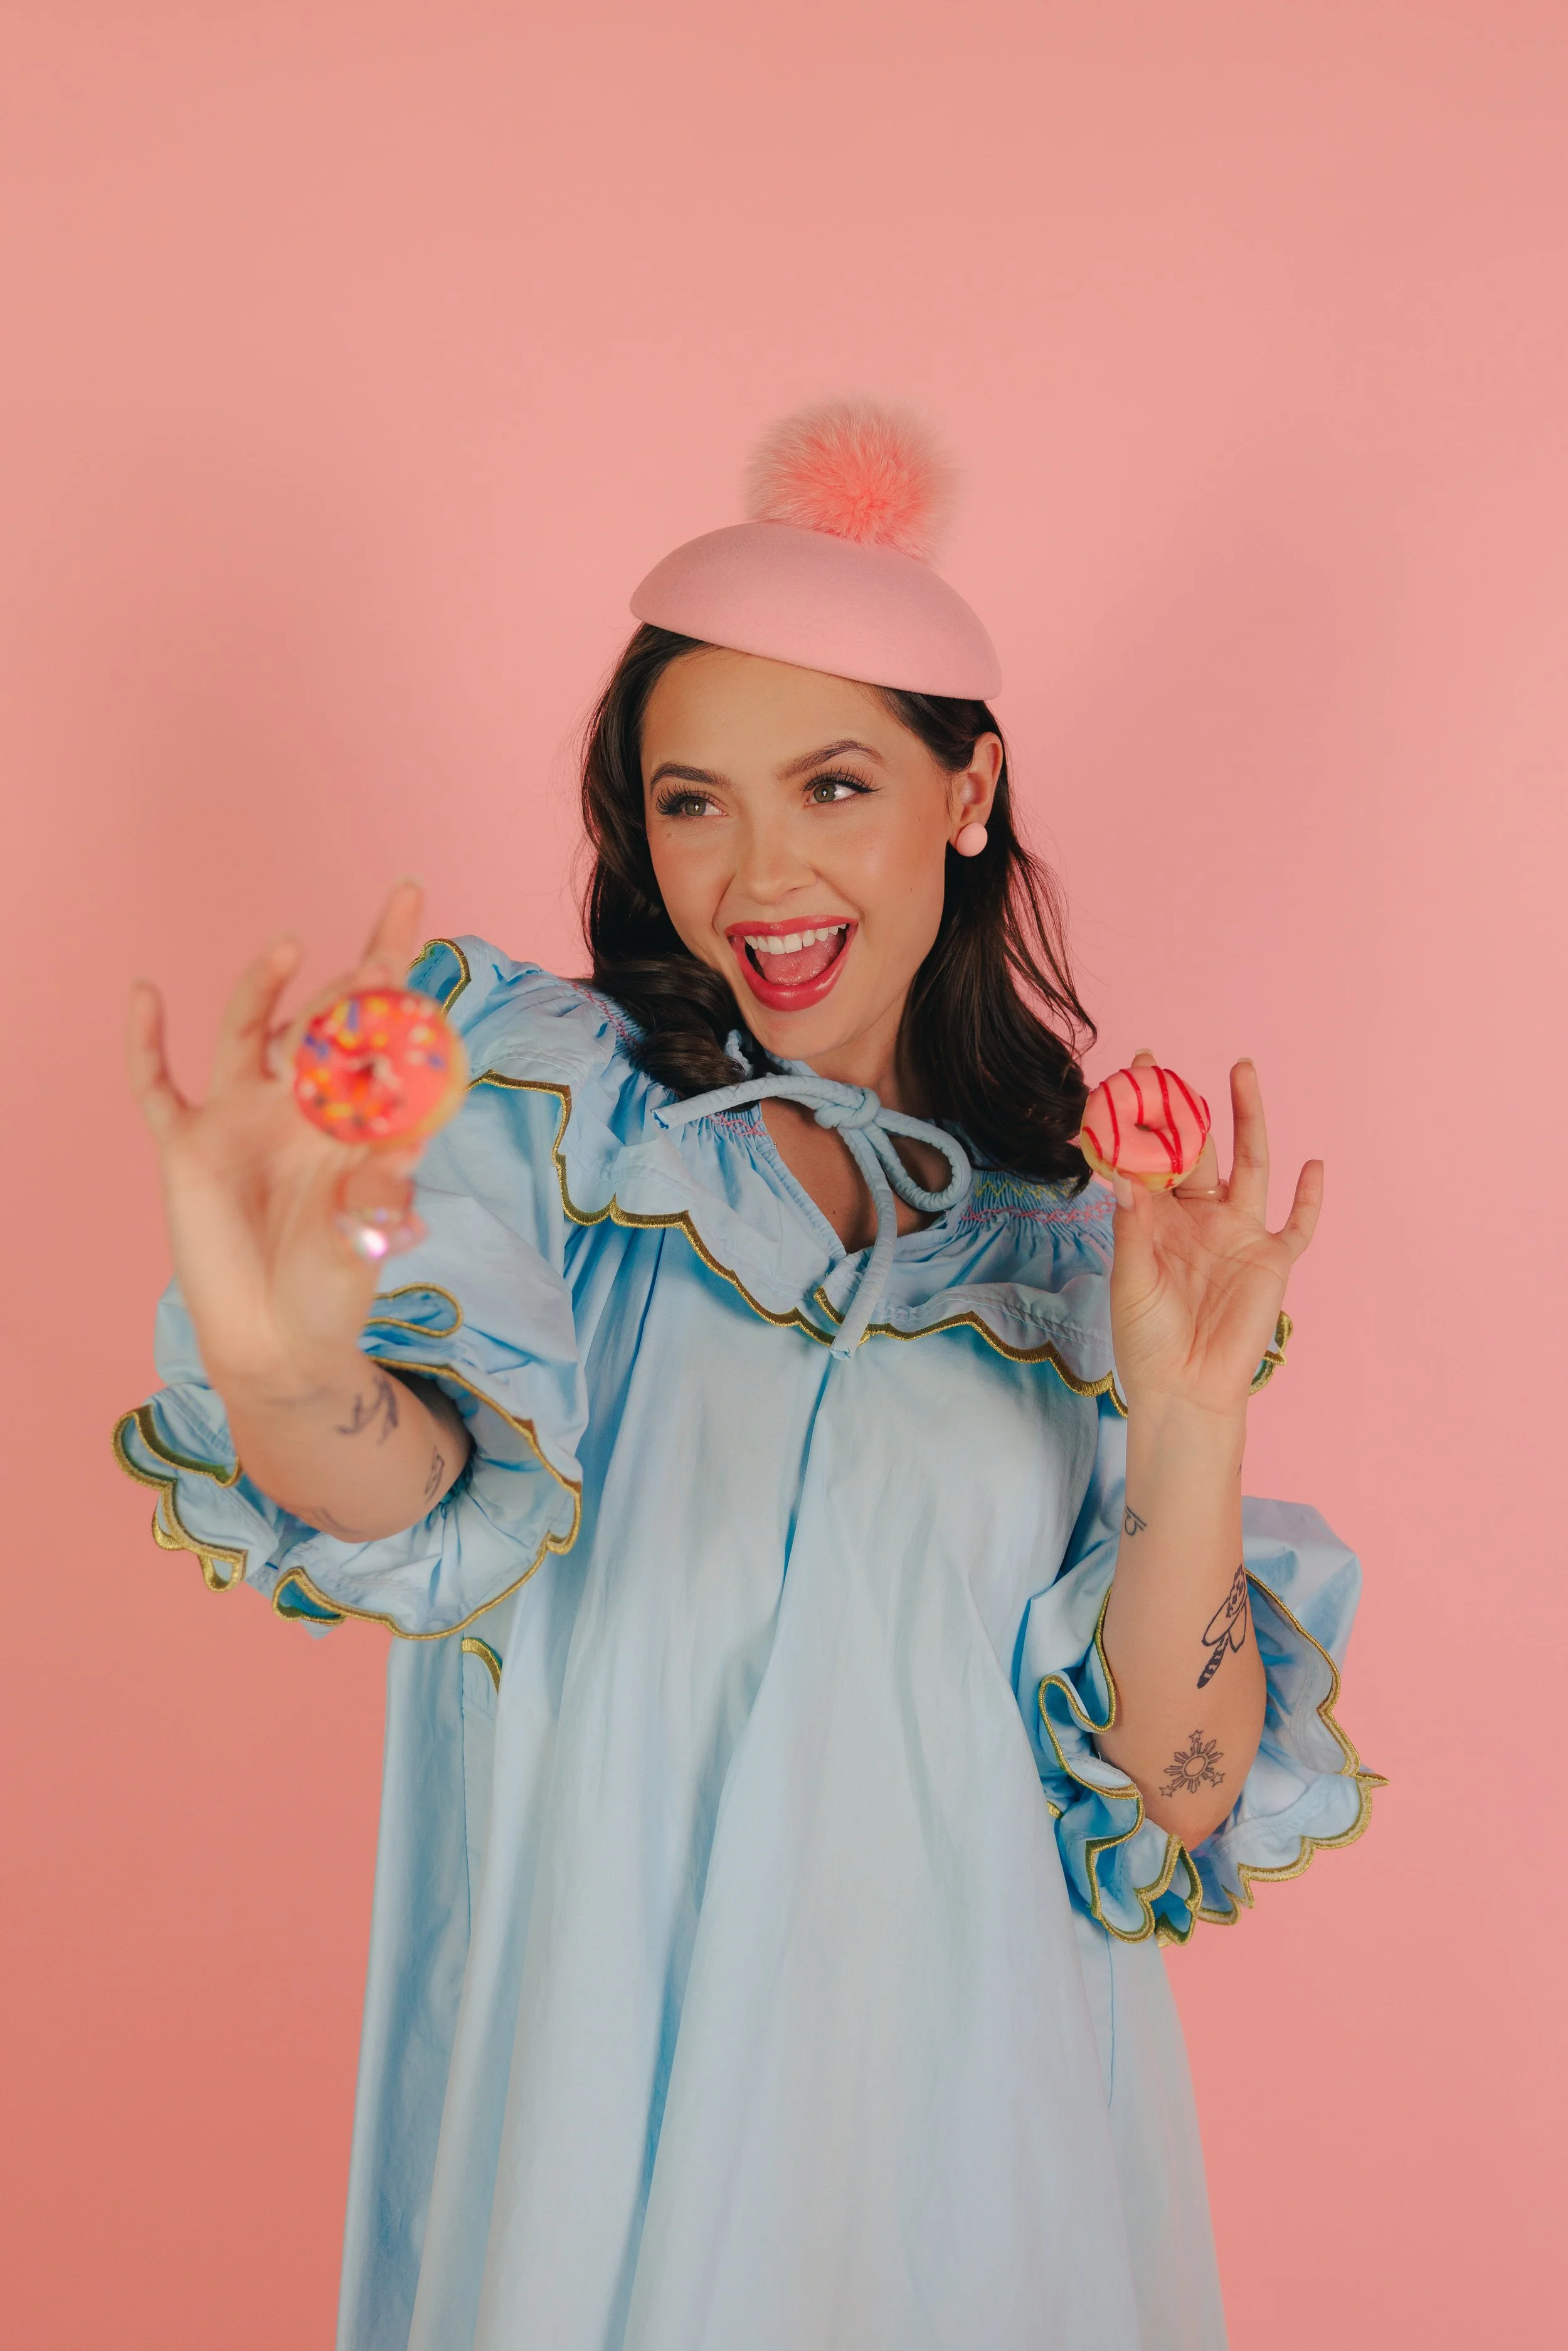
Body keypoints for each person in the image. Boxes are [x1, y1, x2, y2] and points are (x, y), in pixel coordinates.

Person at [116, 401, 1377, 2351]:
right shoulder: (552, 1117)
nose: (757, 871)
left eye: (832, 783)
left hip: (975, 2178)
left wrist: (1189, 1416)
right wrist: (285, 1364)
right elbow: (412, 1495)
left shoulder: (1079, 1246)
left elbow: (1170, 1790)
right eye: (689, 798)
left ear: (969, 794)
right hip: (586, 2158)